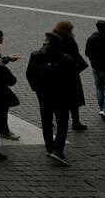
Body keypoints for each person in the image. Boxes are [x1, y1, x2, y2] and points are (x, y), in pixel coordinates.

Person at [27, 32, 78, 166]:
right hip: (61, 95)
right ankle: (58, 149)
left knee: (46, 121)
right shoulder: (66, 58)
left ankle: (49, 147)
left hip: (43, 94)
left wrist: (37, 89)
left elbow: (30, 74)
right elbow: (72, 79)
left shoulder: (36, 55)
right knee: (62, 123)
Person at [52, 21, 89, 131]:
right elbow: (75, 56)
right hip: (70, 74)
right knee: (73, 100)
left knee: (56, 99)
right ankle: (76, 122)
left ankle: (52, 121)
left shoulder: (53, 39)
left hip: (56, 74)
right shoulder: (69, 41)